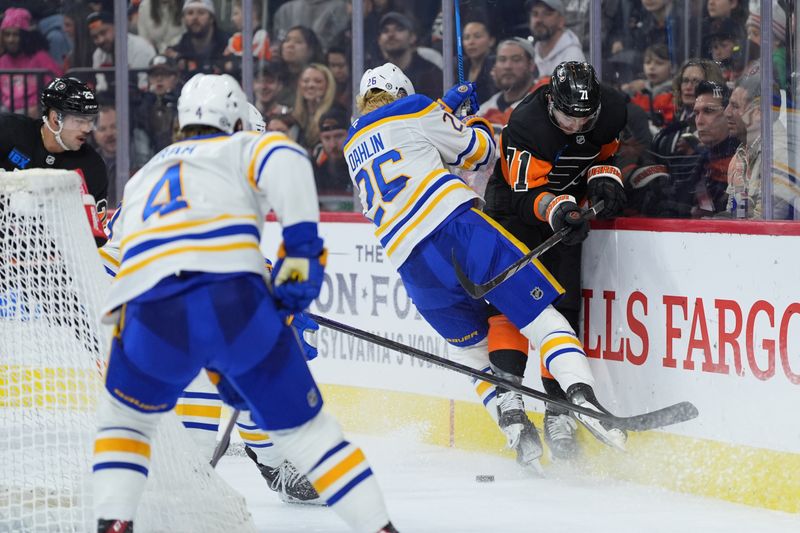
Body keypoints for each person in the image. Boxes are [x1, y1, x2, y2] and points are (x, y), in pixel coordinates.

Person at [91, 73, 397, 533]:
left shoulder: (144, 174)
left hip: (148, 315)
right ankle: (376, 525)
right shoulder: (254, 148)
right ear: (236, 121)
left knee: (125, 427)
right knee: (311, 434)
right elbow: (300, 241)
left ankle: (116, 523)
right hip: (229, 300)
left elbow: (117, 263)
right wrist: (289, 301)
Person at [346, 62, 621, 473]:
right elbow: (479, 153)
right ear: (405, 91)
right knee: (543, 318)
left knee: (474, 354)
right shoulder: (414, 108)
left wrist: (443, 111)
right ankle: (580, 397)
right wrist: (467, 118)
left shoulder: (352, 145)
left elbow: (407, 150)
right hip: (455, 230)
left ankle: (513, 426)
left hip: (411, 263)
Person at [482, 61, 629, 460]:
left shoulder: (613, 109)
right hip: (516, 209)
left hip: (568, 207)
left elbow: (606, 151)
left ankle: (556, 409)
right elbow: (525, 195)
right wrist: (560, 210)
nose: (578, 127)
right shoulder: (525, 124)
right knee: (514, 305)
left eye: (587, 119)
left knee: (563, 308)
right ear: (551, 103)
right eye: (568, 118)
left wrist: (604, 176)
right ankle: (510, 394)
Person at [0, 76, 107, 244]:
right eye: (79, 121)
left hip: (52, 259)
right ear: (56, 118)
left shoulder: (92, 167)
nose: (87, 129)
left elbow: (95, 239)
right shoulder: (8, 131)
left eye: (90, 121)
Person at [723, 74, 799, 219]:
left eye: (735, 106)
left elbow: (766, 227)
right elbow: (733, 214)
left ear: (758, 112)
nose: (726, 113)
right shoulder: (741, 154)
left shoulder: (779, 153)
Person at [0, 7, 63, 117]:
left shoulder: (40, 57)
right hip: (7, 112)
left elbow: (59, 86)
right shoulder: (2, 61)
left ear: (24, 36)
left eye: (15, 35)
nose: (10, 40)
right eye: (7, 34)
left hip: (35, 115)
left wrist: (41, 106)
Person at [477, 38, 542, 134]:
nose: (507, 66)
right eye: (502, 60)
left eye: (516, 59)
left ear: (531, 65)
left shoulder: (544, 100)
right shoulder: (484, 112)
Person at [374, 12, 442, 99]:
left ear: (412, 37)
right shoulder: (375, 74)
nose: (391, 35)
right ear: (379, 40)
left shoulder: (431, 74)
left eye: (399, 29)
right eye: (385, 31)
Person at [88, 10, 156, 92]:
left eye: (103, 33)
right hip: (110, 102)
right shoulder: (98, 54)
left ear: (117, 28)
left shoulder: (140, 48)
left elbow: (143, 87)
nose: (100, 40)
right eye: (95, 37)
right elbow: (102, 88)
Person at [525, 0, 585, 77]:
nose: (539, 20)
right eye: (535, 14)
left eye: (547, 14)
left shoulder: (572, 58)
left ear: (561, 21)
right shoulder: (531, 54)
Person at [313, 107, 353, 211]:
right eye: (326, 138)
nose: (333, 144)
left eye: (339, 136)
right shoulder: (314, 168)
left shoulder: (360, 166)